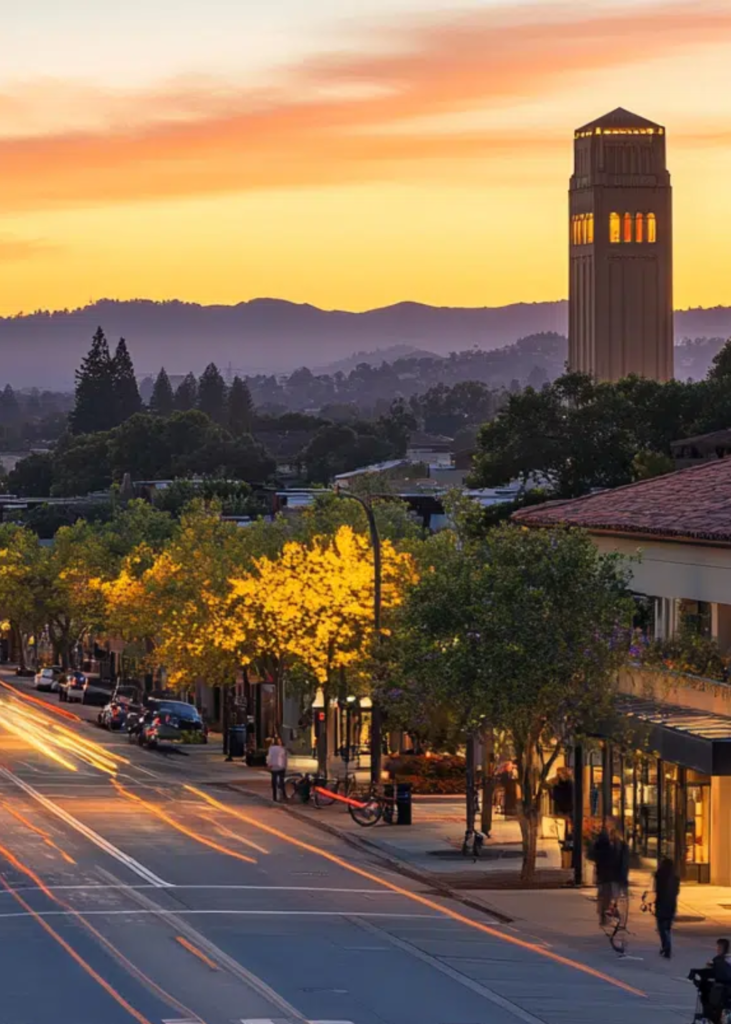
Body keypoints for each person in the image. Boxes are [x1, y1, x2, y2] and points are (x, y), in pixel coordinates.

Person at [689, 938, 731, 1023]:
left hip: (723, 991)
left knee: (711, 998)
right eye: (718, 947)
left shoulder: (724, 960)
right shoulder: (719, 959)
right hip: (722, 990)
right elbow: (711, 971)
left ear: (725, 948)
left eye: (720, 947)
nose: (718, 949)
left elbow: (713, 972)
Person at [654, 857, 680, 959]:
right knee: (667, 927)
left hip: (661, 904)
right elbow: (677, 892)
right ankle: (667, 946)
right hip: (671, 905)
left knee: (661, 927)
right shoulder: (675, 878)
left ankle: (666, 946)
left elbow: (657, 890)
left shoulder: (659, 876)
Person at [593, 824, 616, 925]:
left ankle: (602, 917)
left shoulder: (597, 848)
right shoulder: (610, 848)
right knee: (607, 897)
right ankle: (605, 918)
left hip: (601, 875)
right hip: (608, 876)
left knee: (601, 896)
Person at [266, 735, 287, 802]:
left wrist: (269, 764)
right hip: (281, 766)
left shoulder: (271, 748)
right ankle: (283, 795)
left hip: (273, 766)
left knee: (274, 781)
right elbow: (284, 758)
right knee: (281, 781)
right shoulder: (282, 748)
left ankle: (274, 796)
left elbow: (269, 757)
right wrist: (285, 765)